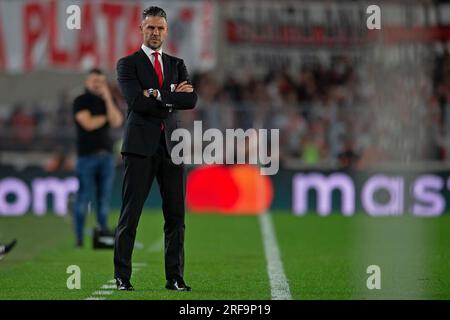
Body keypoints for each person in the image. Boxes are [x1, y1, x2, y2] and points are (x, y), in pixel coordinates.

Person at [114, 6, 197, 291]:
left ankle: (174, 277)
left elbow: (191, 101)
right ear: (141, 29)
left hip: (172, 147)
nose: (155, 32)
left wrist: (157, 95)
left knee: (176, 216)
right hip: (139, 147)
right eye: (150, 27)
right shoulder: (128, 64)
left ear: (166, 30)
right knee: (131, 213)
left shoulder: (177, 64)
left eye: (160, 28)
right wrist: (171, 97)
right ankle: (122, 277)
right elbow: (136, 102)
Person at [73, 68, 124, 247]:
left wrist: (108, 98)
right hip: (86, 157)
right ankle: (79, 239)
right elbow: (88, 124)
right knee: (83, 198)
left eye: (101, 81)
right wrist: (105, 118)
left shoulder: (106, 101)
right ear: (87, 82)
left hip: (106, 157)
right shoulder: (81, 101)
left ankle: (102, 236)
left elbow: (117, 121)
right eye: (94, 81)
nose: (97, 84)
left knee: (104, 199)